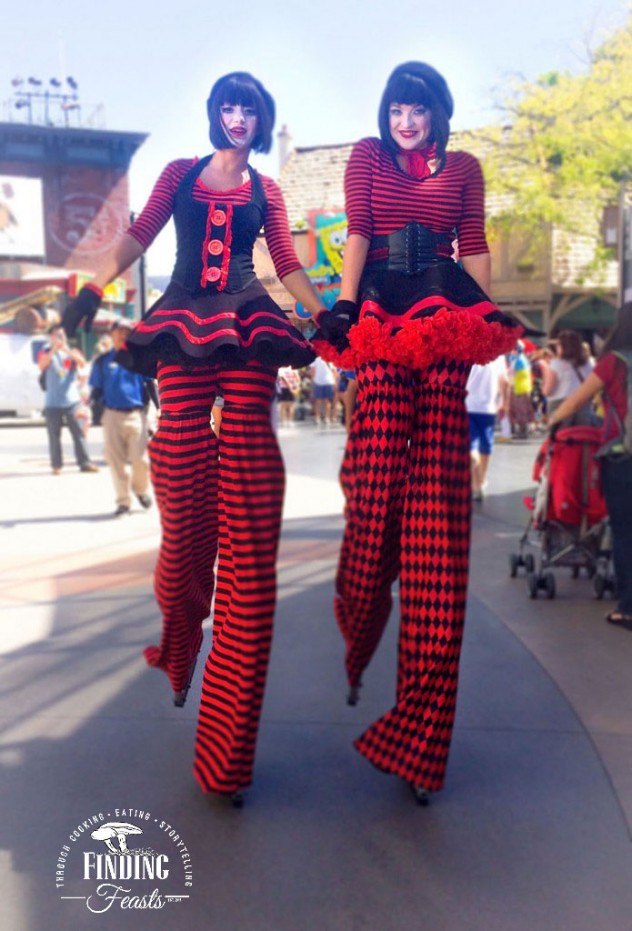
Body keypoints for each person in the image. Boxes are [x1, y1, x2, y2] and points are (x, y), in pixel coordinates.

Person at [63, 72, 324, 804]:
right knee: (179, 500)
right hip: (181, 323)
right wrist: (90, 289)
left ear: (261, 120)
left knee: (246, 495)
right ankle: (180, 637)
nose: (238, 118)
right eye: (228, 107)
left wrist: (324, 314)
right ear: (216, 115)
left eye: (250, 110)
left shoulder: (267, 191)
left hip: (245, 322)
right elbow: (138, 236)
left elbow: (291, 265)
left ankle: (228, 744)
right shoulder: (179, 172)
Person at [313, 61, 520, 803]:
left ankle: (420, 742)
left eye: (420, 108)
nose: (407, 119)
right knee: (372, 492)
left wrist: (484, 320)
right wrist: (341, 302)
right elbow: (360, 232)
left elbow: (473, 246)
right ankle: (358, 621)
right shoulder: (367, 158)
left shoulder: (465, 166)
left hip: (446, 316)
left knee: (436, 522)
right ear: (387, 112)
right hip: (378, 316)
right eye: (398, 108)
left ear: (438, 112)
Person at [548, 302, 632, 631]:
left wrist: (553, 420)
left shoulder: (614, 363)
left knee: (625, 532)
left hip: (620, 456)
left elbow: (575, 400)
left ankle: (627, 608)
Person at [89, 320, 158, 517]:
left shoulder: (139, 359)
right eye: (120, 331)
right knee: (116, 462)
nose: (123, 335)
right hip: (112, 416)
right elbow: (96, 388)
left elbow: (150, 385)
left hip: (136, 415)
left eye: (128, 332)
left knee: (141, 461)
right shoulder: (103, 361)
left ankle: (141, 490)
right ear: (111, 334)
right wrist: (89, 406)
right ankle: (123, 502)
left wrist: (159, 407)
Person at [37, 323, 99, 475]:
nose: (60, 338)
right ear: (51, 337)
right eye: (57, 335)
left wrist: (66, 350)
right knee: (54, 435)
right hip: (52, 402)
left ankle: (85, 462)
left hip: (72, 401)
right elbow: (42, 365)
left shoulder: (72, 351)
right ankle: (56, 465)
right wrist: (53, 350)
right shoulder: (45, 352)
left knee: (78, 433)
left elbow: (82, 362)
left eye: (62, 335)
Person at [465, 354, 508, 501]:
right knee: (486, 446)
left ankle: (477, 481)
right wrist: (504, 402)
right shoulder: (499, 354)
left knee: (472, 448)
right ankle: (481, 481)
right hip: (488, 407)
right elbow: (505, 381)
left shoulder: (466, 350)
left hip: (467, 405)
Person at [542, 329, 595, 425]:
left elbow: (548, 391)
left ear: (563, 347)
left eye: (558, 345)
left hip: (559, 405)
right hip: (582, 403)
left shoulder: (556, 364)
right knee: (582, 435)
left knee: (560, 436)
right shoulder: (587, 364)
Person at [508, 340, 534, 438]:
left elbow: (517, 374)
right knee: (519, 409)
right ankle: (520, 430)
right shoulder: (518, 358)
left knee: (521, 410)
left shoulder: (519, 360)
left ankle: (523, 431)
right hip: (520, 387)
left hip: (520, 388)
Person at [310, 356, 336, 424]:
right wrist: (313, 381)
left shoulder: (330, 358)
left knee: (327, 401)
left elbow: (334, 371)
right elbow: (312, 370)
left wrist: (334, 382)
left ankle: (326, 417)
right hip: (318, 381)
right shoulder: (315, 358)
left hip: (329, 381)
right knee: (318, 401)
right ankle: (317, 417)